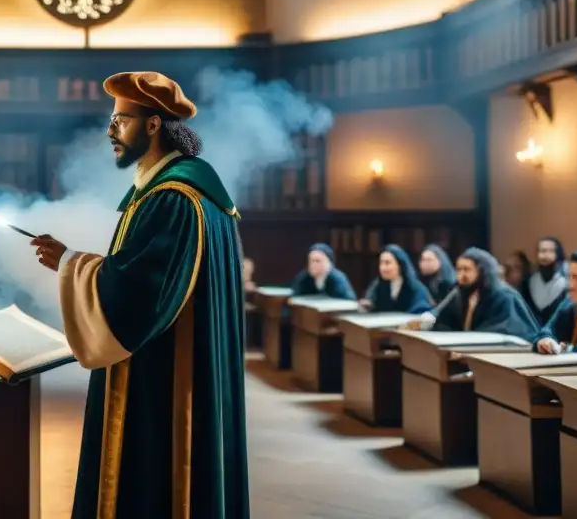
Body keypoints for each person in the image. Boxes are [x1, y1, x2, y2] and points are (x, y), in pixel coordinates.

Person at [31, 71, 248, 519]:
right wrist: (81, 261)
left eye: (121, 121)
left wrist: (70, 262)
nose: (110, 131)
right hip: (181, 361)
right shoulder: (186, 191)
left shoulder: (174, 197)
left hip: (163, 376)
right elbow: (146, 271)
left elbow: (139, 296)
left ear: (153, 125)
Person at [406, 247, 538, 340]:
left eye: (467, 269)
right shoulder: (460, 293)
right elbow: (445, 322)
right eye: (458, 269)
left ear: (482, 271)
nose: (461, 275)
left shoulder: (504, 296)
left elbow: (504, 330)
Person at [533, 246, 577, 359]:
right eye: (570, 277)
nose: (571, 285)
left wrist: (570, 348)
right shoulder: (569, 301)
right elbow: (548, 329)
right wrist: (546, 340)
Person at [361, 244, 433, 314]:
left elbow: (422, 313)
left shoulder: (415, 288)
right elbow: (370, 305)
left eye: (387, 263)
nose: (382, 268)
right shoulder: (377, 285)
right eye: (381, 263)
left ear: (400, 265)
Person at [520, 237, 568, 324]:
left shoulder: (567, 285)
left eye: (550, 251)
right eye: (542, 251)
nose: (545, 255)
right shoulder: (527, 283)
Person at [290, 243, 356, 299]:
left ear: (329, 263)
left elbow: (349, 301)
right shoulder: (303, 278)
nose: (313, 265)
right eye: (311, 261)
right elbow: (294, 299)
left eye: (317, 261)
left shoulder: (337, 278)